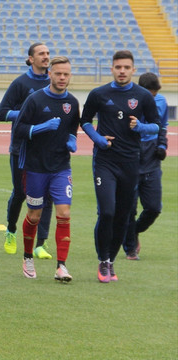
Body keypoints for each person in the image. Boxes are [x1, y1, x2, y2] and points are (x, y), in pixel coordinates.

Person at [81, 50, 159, 283]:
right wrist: (98, 139)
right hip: (105, 161)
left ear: (133, 70)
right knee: (106, 211)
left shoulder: (143, 96)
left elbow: (155, 125)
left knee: (123, 216)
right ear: (112, 69)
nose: (122, 71)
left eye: (126, 67)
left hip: (130, 162)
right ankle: (103, 259)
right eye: (118, 67)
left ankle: (111, 261)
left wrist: (140, 128)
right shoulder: (99, 94)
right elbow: (85, 121)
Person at [12, 56, 80, 281]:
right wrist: (41, 127)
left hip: (61, 167)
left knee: (64, 213)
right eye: (58, 73)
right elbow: (19, 129)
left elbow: (72, 128)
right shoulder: (34, 100)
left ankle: (62, 266)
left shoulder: (72, 102)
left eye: (66, 74)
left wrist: (72, 140)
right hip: (35, 167)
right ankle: (27, 256)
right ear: (49, 74)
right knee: (34, 215)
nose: (62, 77)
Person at [0, 42, 54, 259]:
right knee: (21, 193)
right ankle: (11, 231)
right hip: (22, 149)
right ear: (31, 58)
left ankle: (41, 243)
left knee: (46, 196)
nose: (46, 57)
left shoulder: (53, 81)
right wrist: (25, 113)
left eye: (48, 53)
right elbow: (2, 113)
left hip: (48, 149)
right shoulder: (21, 83)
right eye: (41, 54)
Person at [122, 72, 168, 260]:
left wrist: (162, 145)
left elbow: (163, 126)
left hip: (152, 159)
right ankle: (130, 249)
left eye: (155, 95)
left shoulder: (162, 101)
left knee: (154, 208)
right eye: (150, 94)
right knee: (129, 209)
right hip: (131, 156)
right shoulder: (128, 102)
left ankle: (134, 231)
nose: (153, 98)